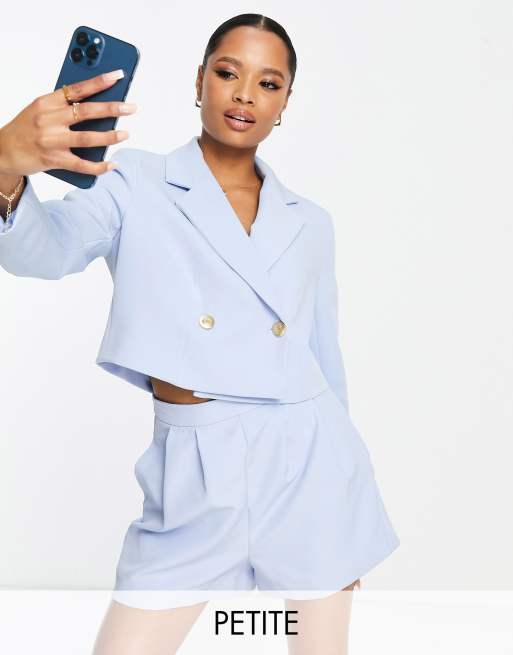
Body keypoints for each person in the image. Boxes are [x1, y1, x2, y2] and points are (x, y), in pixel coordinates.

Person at [0, 13, 400, 655]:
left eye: (268, 83)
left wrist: (345, 513)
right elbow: (42, 253)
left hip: (308, 472)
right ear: (199, 81)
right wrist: (5, 166)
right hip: (193, 470)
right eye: (228, 72)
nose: (245, 95)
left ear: (285, 103)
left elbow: (325, 362)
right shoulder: (134, 182)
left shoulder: (311, 222)